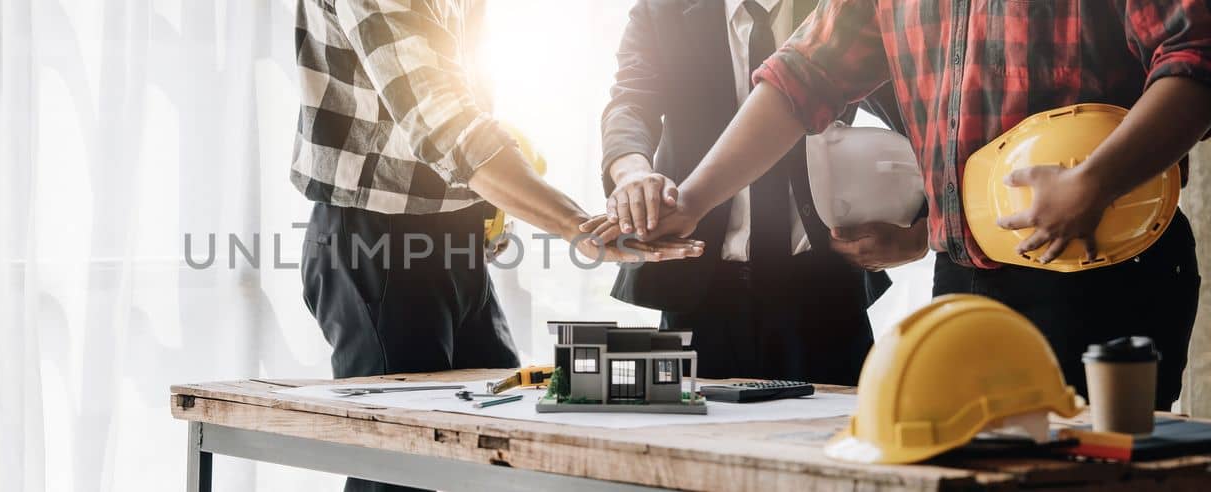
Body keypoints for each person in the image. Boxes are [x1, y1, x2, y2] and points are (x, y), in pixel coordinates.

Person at [639, 0, 1211, 410]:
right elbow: (799, 79)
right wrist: (692, 200)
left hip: (1110, 276)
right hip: (965, 280)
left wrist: (1096, 181)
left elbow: (1198, 56)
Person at [292, 2, 700, 490]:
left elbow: (463, 97)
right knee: (403, 466)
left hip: (453, 240)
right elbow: (441, 120)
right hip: (377, 239)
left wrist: (489, 209)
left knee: (497, 448)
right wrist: (575, 225)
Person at [595, 0, 924, 385]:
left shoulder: (841, 12)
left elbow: (925, 119)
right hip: (698, 287)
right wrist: (632, 172)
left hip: (824, 289)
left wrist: (922, 233)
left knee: (833, 438)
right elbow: (630, 103)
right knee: (691, 439)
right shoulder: (661, 10)